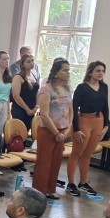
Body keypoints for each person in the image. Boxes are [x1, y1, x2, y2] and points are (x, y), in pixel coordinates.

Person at [66, 61, 110, 197]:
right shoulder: (82, 87)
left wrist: (106, 126)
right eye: (98, 70)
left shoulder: (104, 87)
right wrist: (76, 129)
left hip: (98, 121)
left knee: (88, 154)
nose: (101, 73)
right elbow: (74, 108)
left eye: (103, 71)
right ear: (90, 72)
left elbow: (105, 106)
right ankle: (71, 183)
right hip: (84, 121)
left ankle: (83, 182)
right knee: (77, 153)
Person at [34, 59, 73, 200]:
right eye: (65, 70)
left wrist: (67, 131)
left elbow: (71, 111)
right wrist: (56, 132)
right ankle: (39, 192)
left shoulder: (67, 89)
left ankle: (50, 189)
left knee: (56, 162)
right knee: (44, 162)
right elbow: (44, 115)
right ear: (56, 72)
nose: (68, 73)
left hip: (62, 131)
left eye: (68, 70)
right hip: (48, 131)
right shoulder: (46, 89)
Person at [10, 54, 40, 134]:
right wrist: (27, 109)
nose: (31, 63)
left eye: (32, 61)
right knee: (18, 133)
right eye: (28, 62)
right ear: (23, 64)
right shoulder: (18, 77)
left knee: (26, 132)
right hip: (20, 109)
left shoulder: (34, 75)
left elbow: (36, 92)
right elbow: (16, 96)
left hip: (32, 109)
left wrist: (36, 106)